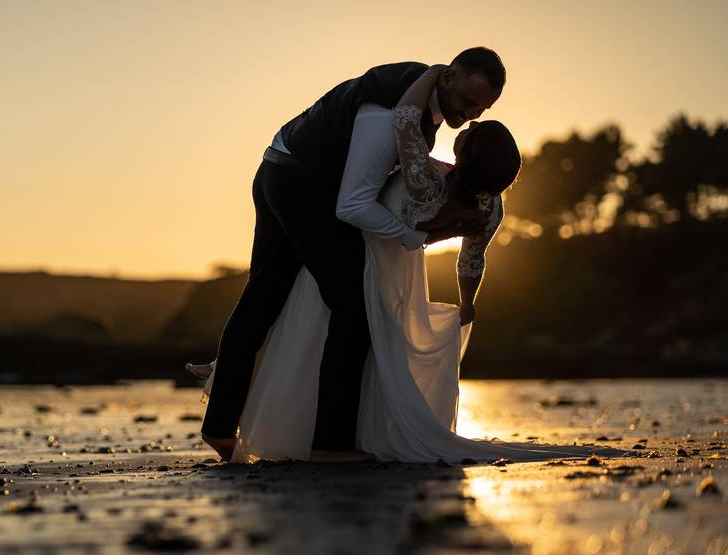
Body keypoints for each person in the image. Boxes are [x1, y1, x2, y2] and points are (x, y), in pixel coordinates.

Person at [199, 48, 507, 462]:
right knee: (352, 307)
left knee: (264, 297)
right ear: (449, 78)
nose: (471, 114)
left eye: (482, 108)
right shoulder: (388, 113)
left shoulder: (421, 101)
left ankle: (220, 427)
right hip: (301, 183)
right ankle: (331, 443)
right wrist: (412, 237)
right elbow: (352, 205)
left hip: (283, 165)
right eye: (469, 102)